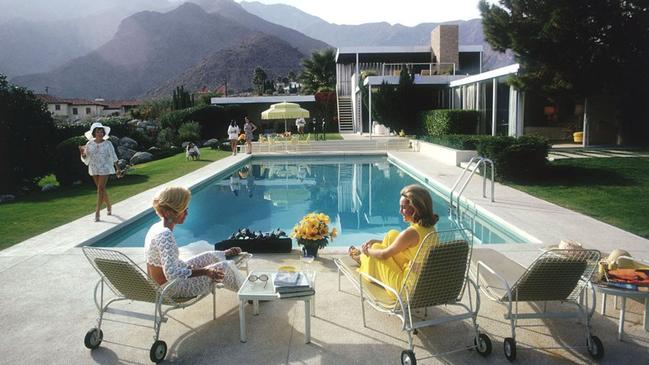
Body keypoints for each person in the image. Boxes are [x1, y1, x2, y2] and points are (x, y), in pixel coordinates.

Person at [144, 186, 245, 297]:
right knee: (225, 267)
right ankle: (249, 294)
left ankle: (224, 253)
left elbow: (168, 264)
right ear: (168, 213)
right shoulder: (165, 235)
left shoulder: (156, 227)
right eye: (183, 210)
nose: (187, 213)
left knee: (209, 255)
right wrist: (205, 271)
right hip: (170, 288)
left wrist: (191, 268)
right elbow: (171, 274)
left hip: (162, 283)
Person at [348, 184, 439, 297]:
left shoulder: (411, 233)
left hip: (405, 289)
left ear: (416, 208)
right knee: (392, 235)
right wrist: (376, 241)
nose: (400, 211)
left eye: (404, 207)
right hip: (422, 283)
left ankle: (363, 259)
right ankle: (365, 259)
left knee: (376, 249)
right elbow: (402, 244)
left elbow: (384, 255)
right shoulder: (430, 228)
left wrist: (368, 251)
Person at [79, 122, 122, 222]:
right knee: (102, 190)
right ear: (94, 133)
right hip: (94, 168)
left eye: (101, 131)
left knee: (100, 189)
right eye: (98, 131)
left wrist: (118, 168)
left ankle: (97, 212)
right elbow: (86, 157)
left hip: (105, 168)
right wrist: (82, 153)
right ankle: (109, 206)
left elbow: (113, 156)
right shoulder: (89, 144)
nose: (100, 133)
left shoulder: (108, 143)